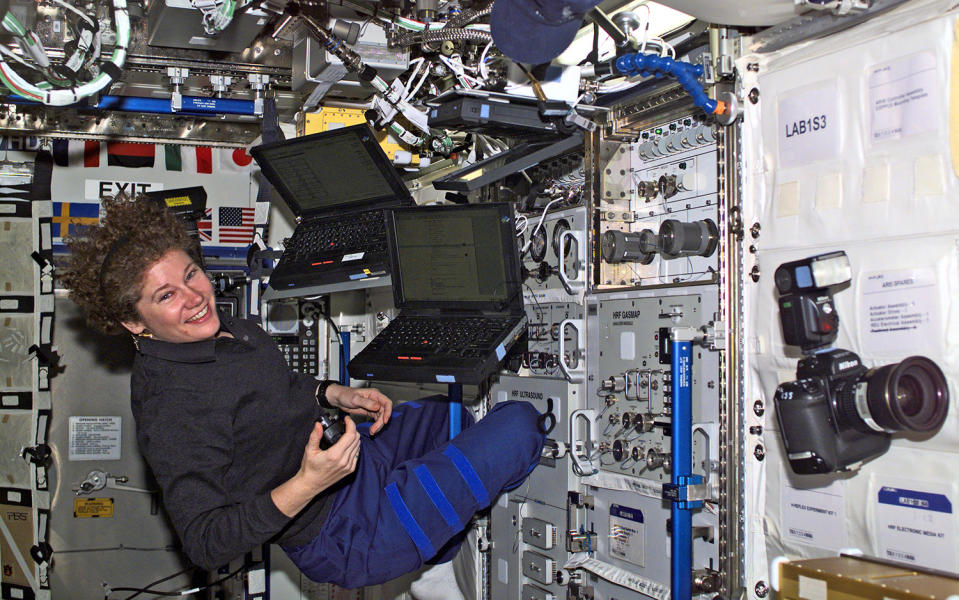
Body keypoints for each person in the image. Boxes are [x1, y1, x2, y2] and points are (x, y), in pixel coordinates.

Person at [59, 196, 546, 591]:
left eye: (190, 275)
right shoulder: (171, 408)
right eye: (165, 296)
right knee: (520, 425)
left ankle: (439, 548)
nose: (194, 298)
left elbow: (275, 389)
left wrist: (333, 393)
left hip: (356, 456)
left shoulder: (220, 330)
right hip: (347, 531)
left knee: (460, 413)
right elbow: (206, 543)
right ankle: (434, 562)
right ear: (134, 323)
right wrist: (311, 482)